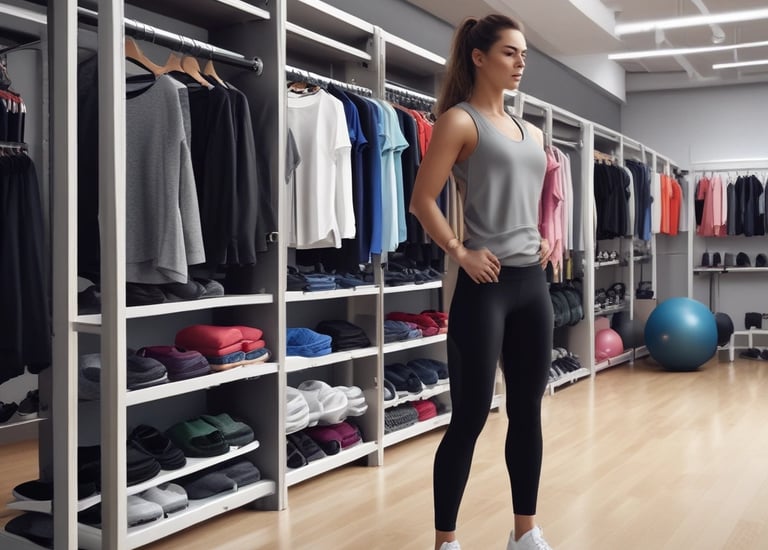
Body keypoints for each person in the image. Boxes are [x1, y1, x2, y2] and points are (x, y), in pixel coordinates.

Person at [409, 14, 555, 550]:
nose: (520, 64)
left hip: (532, 285)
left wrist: (543, 238)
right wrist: (459, 251)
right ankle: (446, 541)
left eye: (523, 56)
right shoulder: (460, 122)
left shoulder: (533, 131)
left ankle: (525, 532)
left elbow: (526, 203)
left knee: (527, 412)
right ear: (478, 57)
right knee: (469, 416)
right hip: (485, 286)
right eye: (510, 54)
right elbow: (422, 200)